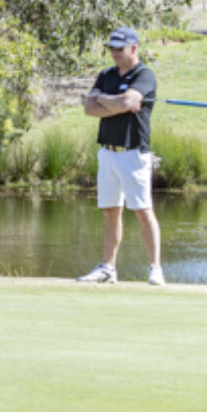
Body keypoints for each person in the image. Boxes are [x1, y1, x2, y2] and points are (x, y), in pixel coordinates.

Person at [77, 26, 163, 286]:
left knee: (142, 210)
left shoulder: (144, 75)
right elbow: (89, 109)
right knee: (110, 211)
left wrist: (103, 99)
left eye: (119, 48)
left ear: (133, 48)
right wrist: (115, 102)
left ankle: (155, 268)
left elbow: (127, 103)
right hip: (108, 152)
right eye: (111, 48)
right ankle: (108, 268)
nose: (114, 53)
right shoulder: (106, 75)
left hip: (133, 152)